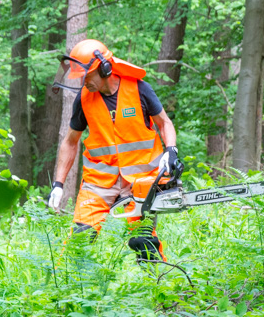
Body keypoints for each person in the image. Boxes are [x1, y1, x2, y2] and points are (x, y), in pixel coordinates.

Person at [47, 39, 180, 262]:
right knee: (79, 239)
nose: (83, 81)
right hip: (98, 182)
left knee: (143, 240)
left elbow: (164, 123)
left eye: (86, 76)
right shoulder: (84, 100)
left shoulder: (139, 90)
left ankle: (161, 287)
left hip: (139, 180)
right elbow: (70, 142)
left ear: (104, 69)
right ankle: (65, 292)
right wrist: (58, 185)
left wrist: (171, 150)